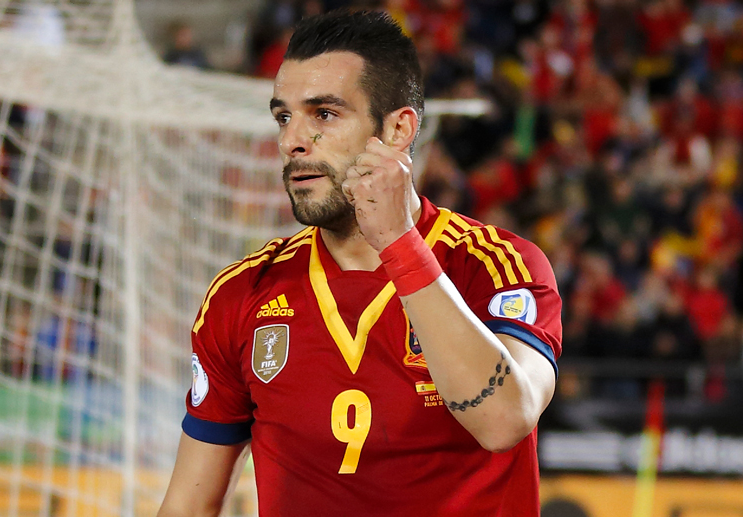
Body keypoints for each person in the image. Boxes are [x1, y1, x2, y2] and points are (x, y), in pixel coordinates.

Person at [158, 10, 561, 517]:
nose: (291, 141)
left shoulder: (499, 266)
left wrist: (397, 242)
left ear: (397, 130)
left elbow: (505, 420)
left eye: (323, 114)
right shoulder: (242, 294)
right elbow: (188, 506)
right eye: (284, 116)